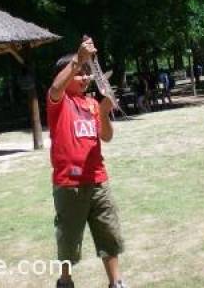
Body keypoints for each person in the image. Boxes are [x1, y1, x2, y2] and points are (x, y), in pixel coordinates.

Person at [47, 37, 127, 288]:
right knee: (69, 238)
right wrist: (79, 59)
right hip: (69, 184)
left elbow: (107, 136)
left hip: (98, 181)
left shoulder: (91, 103)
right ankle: (65, 280)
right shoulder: (59, 103)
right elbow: (56, 88)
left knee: (108, 234)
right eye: (79, 74)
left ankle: (116, 283)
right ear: (67, 73)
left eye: (85, 75)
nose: (84, 78)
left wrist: (103, 111)